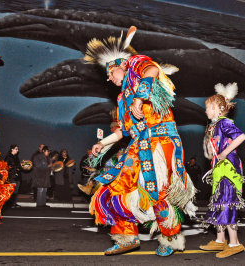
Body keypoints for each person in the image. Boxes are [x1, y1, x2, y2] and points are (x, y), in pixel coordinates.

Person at [84, 26, 197, 256]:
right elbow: (123, 132)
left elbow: (153, 70)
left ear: (120, 65)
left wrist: (141, 95)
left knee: (157, 192)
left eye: (110, 72)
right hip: (138, 147)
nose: (108, 77)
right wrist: (102, 144)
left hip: (160, 141)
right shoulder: (122, 98)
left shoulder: (135, 64)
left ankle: (170, 238)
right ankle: (126, 237)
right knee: (112, 187)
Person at [199, 83, 245, 258]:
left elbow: (241, 136)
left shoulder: (224, 122)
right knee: (219, 203)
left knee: (227, 203)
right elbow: (212, 151)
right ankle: (220, 240)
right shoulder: (215, 126)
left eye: (208, 108)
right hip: (219, 170)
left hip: (228, 170)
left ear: (218, 108)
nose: (205, 111)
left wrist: (225, 152)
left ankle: (235, 243)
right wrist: (211, 146)